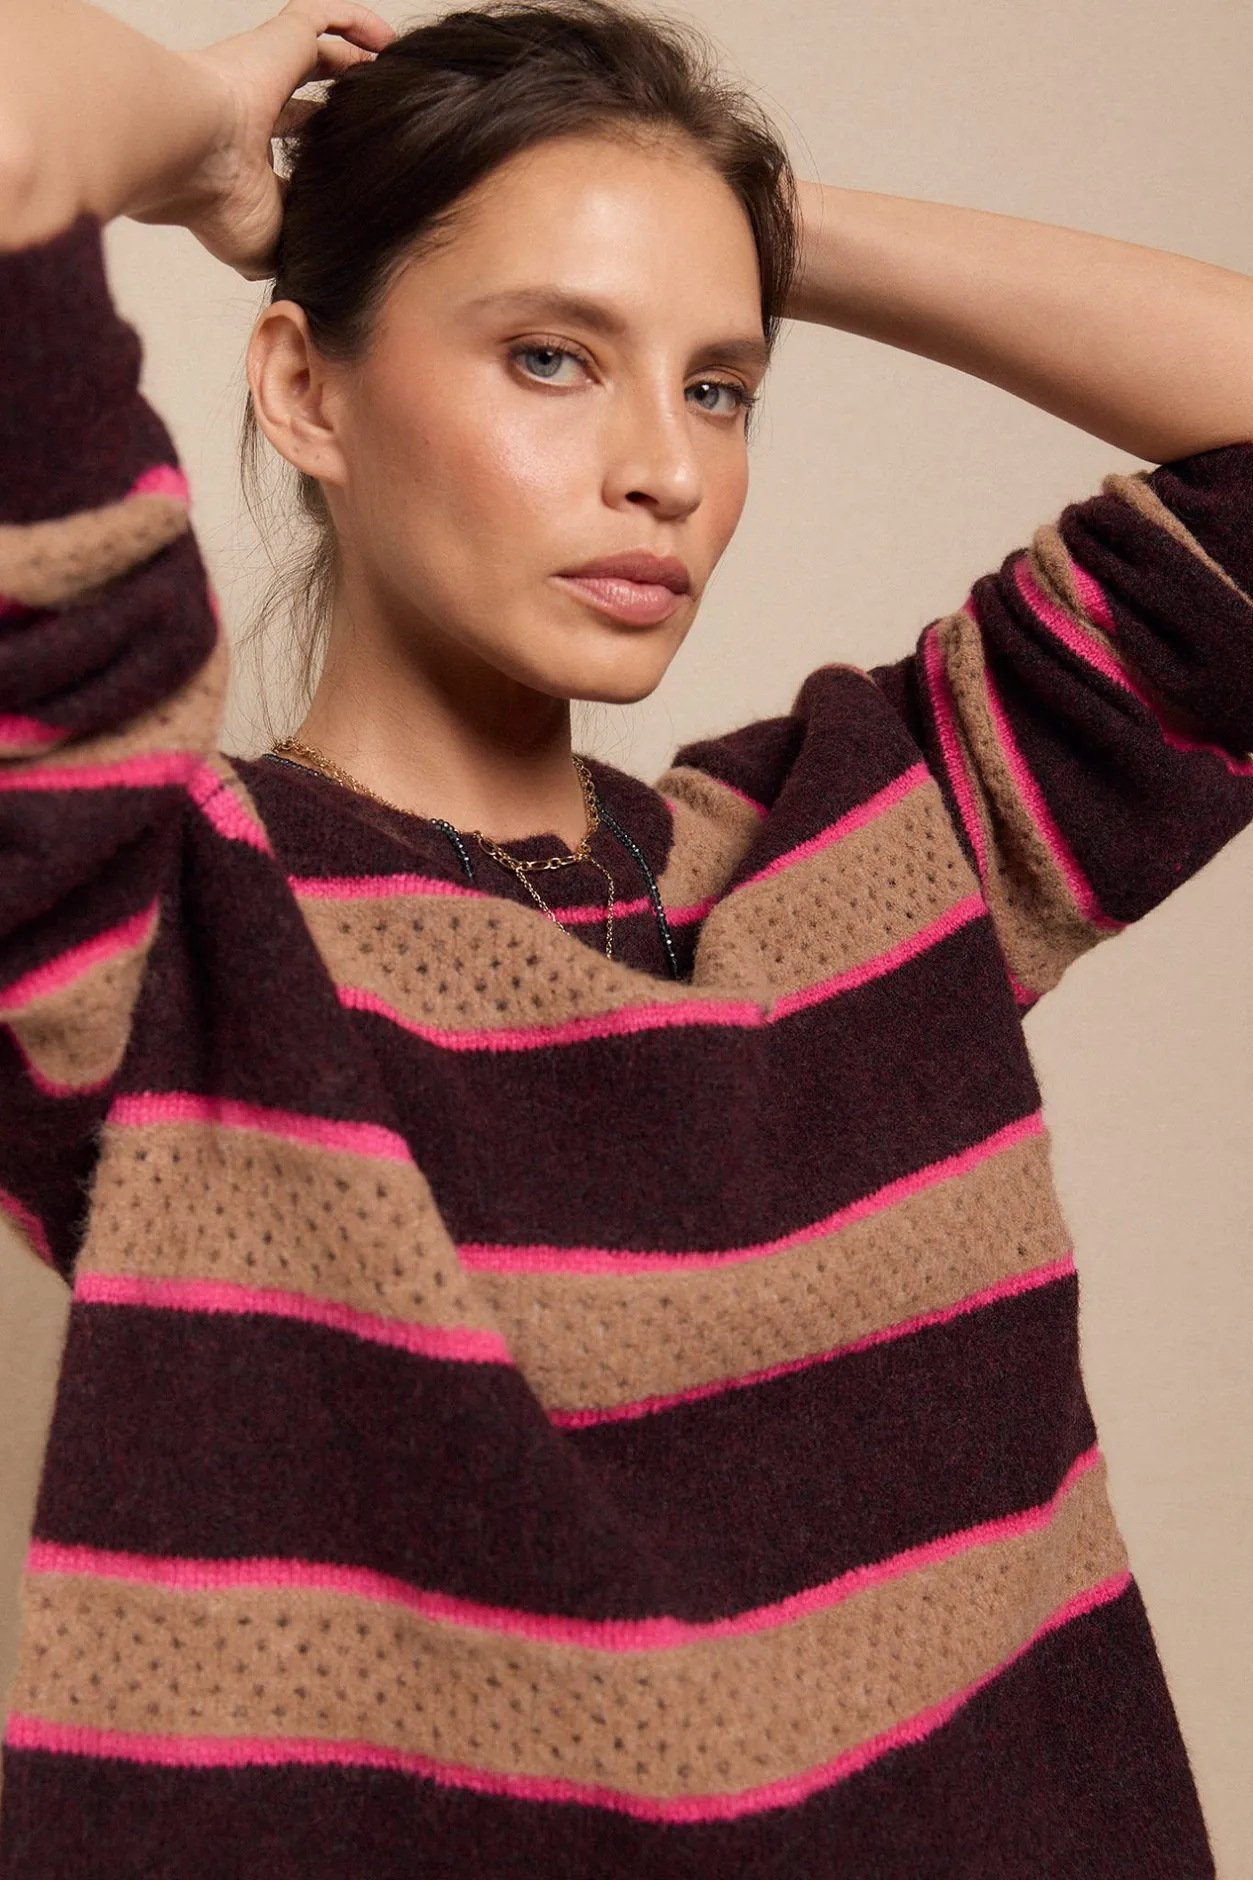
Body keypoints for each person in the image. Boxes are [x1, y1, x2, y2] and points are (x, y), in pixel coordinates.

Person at [0, 0, 1250, 1871]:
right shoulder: (165, 943)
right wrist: (193, 130)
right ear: (306, 388)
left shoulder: (866, 845)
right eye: (551, 357)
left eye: (720, 384)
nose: (665, 465)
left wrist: (732, 219)